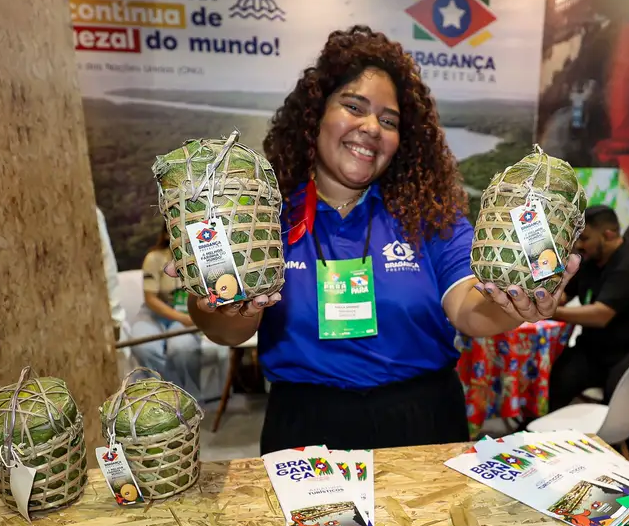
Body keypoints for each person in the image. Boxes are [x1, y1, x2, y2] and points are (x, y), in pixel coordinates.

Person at [176, 26, 577, 452]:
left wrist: (513, 303)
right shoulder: (264, 218)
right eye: (354, 107)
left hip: (421, 423)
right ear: (315, 115)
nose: (371, 127)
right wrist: (221, 303)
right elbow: (228, 332)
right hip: (305, 427)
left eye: (389, 121)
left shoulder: (428, 215)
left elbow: (468, 307)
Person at [547, 205, 629, 411]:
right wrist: (542, 299)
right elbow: (564, 295)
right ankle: (538, 425)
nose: (578, 245)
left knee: (618, 395)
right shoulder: (589, 262)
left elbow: (600, 315)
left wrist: (551, 313)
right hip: (599, 349)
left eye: (584, 238)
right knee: (558, 375)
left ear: (609, 235)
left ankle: (625, 432)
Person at [130, 228, 212, 400]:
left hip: (188, 310)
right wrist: (182, 318)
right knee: (145, 347)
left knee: (182, 347)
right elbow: (151, 299)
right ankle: (163, 396)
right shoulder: (154, 258)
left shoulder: (205, 255)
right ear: (167, 233)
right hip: (156, 312)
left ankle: (190, 398)